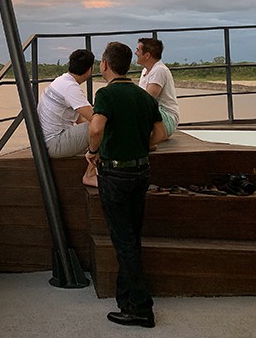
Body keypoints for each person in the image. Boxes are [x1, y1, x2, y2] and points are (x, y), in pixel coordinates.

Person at [86, 42, 166, 329]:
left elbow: (96, 128)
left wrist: (93, 151)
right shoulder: (143, 97)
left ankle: (142, 309)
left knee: (123, 241)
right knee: (131, 237)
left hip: (116, 176)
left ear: (105, 65)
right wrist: (140, 144)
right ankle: (126, 300)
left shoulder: (106, 94)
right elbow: (159, 132)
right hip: (141, 171)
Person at [37, 48, 97, 186]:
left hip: (45, 142)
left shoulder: (61, 81)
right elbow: (95, 119)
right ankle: (90, 174)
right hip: (53, 144)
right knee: (100, 127)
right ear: (89, 70)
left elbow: (80, 118)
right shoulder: (71, 88)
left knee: (97, 127)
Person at [135, 37, 179, 147]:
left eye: (138, 50)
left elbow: (147, 99)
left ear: (147, 55)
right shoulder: (146, 70)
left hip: (166, 118)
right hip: (157, 116)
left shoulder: (159, 70)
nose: (135, 53)